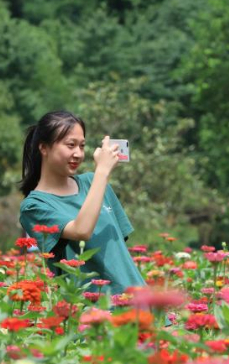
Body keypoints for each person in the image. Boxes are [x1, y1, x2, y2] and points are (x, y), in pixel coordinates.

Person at [18, 111, 145, 295]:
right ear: (44, 148)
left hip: (138, 300)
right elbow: (81, 230)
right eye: (70, 145)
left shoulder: (94, 184)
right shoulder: (34, 206)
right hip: (93, 309)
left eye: (82, 146)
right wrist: (102, 172)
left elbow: (119, 253)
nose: (78, 153)